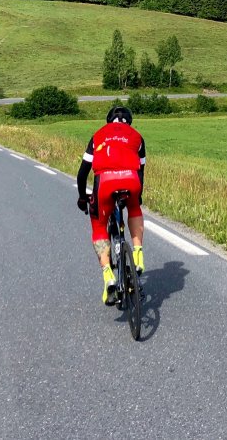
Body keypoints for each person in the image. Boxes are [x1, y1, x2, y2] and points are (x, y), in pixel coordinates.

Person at [76, 105, 146, 305]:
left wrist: (83, 197)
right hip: (131, 179)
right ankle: (138, 254)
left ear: (108, 121)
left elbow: (82, 173)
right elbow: (141, 170)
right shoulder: (137, 136)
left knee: (99, 225)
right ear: (129, 122)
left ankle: (108, 275)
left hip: (105, 182)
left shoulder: (98, 135)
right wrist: (137, 195)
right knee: (134, 208)